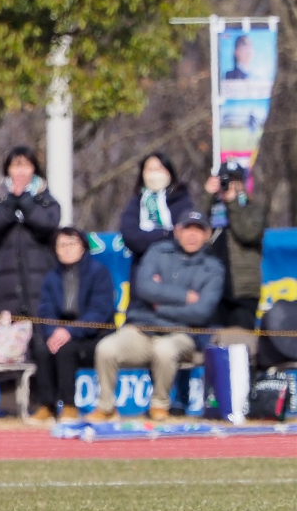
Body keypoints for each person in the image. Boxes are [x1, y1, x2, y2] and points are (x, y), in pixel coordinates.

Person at [89, 211, 223, 423]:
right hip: (143, 329)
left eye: (199, 230)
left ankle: (159, 405)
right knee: (106, 348)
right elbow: (144, 287)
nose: (192, 235)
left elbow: (201, 312)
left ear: (207, 235)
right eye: (187, 228)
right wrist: (184, 296)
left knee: (164, 350)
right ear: (177, 231)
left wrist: (159, 305)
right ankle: (106, 406)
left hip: (182, 333)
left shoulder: (213, 268)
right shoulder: (157, 251)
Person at [31, 228, 115, 421]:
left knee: (66, 349)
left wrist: (70, 331)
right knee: (43, 348)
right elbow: (45, 311)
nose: (67, 249)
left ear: (83, 247)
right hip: (60, 332)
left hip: (94, 335)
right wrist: (53, 332)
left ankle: (69, 405)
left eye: (72, 244)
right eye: (62, 245)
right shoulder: (51, 277)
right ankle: (47, 405)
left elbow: (99, 312)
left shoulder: (99, 272)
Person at [0, 147, 61, 317]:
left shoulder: (46, 199)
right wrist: (10, 204)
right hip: (3, 285)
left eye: (26, 165)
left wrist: (25, 201)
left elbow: (48, 224)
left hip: (39, 282)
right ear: (7, 170)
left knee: (40, 338)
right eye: (15, 166)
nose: (21, 171)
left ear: (34, 169)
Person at [205, 163, 266, 329]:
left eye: (234, 180)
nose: (229, 184)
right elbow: (192, 234)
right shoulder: (211, 209)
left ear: (242, 183)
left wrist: (232, 204)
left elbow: (247, 234)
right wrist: (207, 196)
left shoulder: (252, 210)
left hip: (243, 291)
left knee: (241, 343)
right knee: (214, 345)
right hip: (214, 290)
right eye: (225, 179)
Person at [118, 151, 193, 287]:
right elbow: (131, 237)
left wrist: (147, 237)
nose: (154, 174)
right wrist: (166, 233)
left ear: (169, 172)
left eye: (159, 169)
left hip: (178, 269)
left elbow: (185, 234)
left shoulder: (182, 200)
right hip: (142, 270)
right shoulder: (136, 202)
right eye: (150, 169)